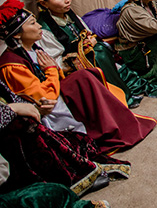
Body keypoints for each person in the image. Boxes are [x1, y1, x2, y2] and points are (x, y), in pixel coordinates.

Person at [0, 0, 157, 154]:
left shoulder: (33, 48)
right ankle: (103, 129)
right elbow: (45, 96)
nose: (39, 26)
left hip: (56, 88)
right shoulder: (12, 65)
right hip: (49, 107)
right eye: (33, 23)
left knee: (89, 74)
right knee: (84, 78)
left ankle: (114, 121)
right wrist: (51, 70)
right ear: (17, 35)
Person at [25, 0, 157, 108]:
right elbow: (56, 62)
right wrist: (82, 52)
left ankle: (125, 89)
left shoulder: (71, 17)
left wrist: (92, 40)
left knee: (102, 51)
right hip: (73, 69)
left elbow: (89, 33)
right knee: (100, 54)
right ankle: (121, 97)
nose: (67, 0)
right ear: (44, 3)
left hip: (92, 57)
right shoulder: (44, 30)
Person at [0, 81, 130, 198]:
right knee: (23, 126)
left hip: (49, 97)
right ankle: (68, 177)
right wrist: (12, 109)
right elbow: (39, 91)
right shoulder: (12, 65)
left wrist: (34, 106)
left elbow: (18, 97)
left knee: (85, 79)